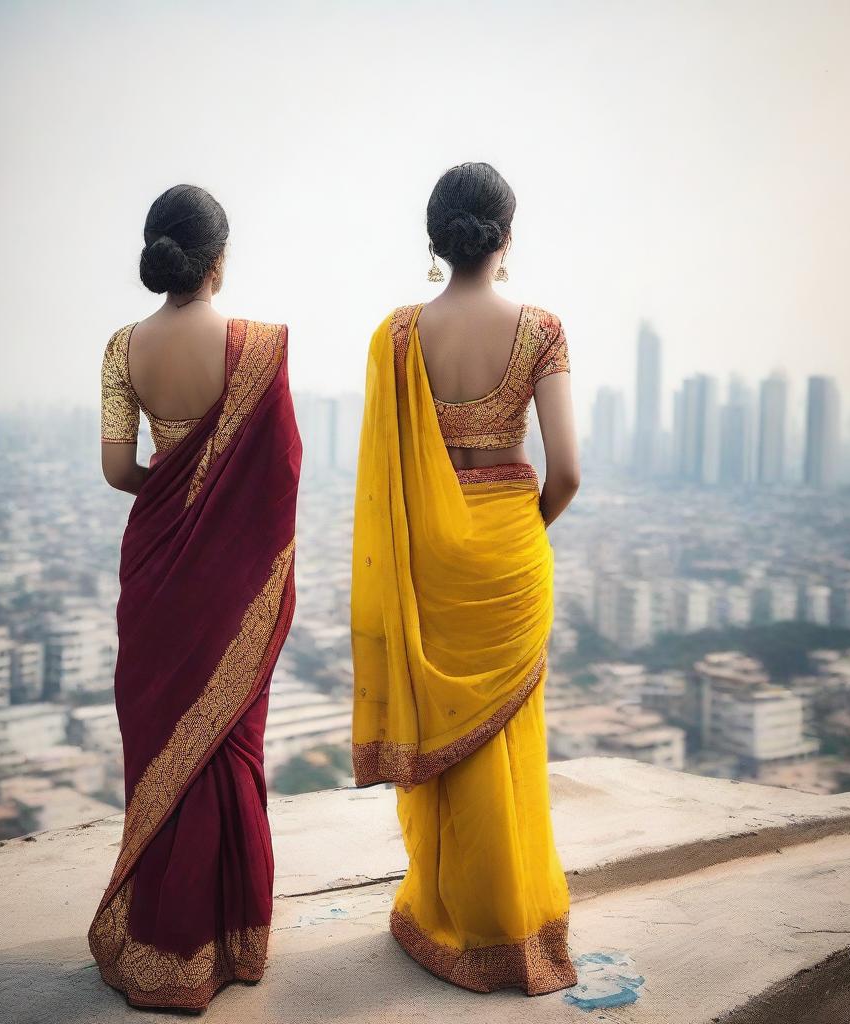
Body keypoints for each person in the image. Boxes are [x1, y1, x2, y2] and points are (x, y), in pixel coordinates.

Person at [350, 162, 580, 995]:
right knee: (509, 735)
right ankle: (515, 919)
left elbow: (388, 483)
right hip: (512, 550)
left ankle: (453, 915)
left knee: (450, 737)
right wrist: (520, 529)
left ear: (434, 239)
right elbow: (569, 471)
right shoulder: (542, 330)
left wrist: (450, 539)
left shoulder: (399, 336)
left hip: (432, 560)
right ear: (507, 238)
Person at [88, 184, 301, 1011]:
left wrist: (175, 494)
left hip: (156, 574)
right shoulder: (258, 348)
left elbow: (118, 471)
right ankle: (232, 942)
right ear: (219, 259)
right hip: (230, 585)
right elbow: (279, 476)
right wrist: (219, 516)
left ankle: (158, 938)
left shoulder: (121, 348)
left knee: (162, 750)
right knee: (227, 749)